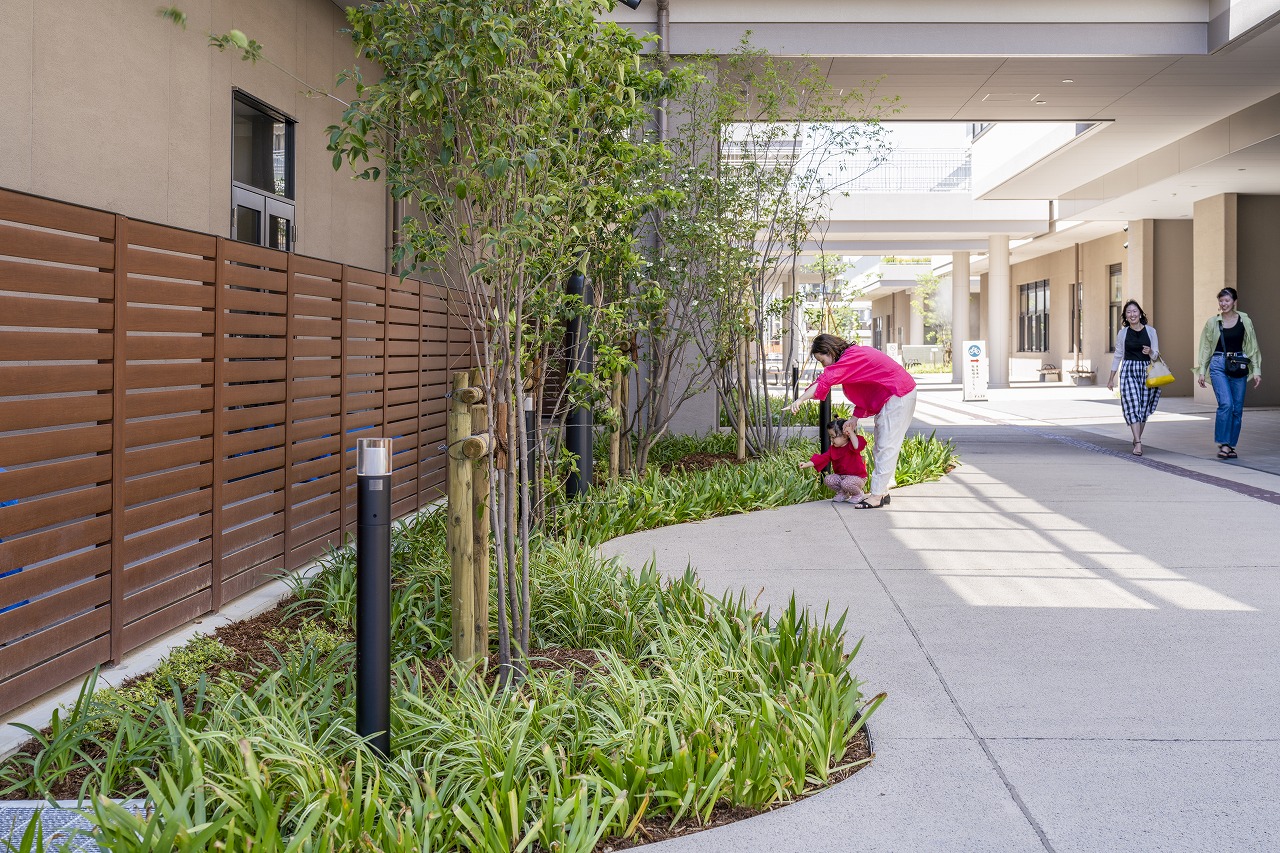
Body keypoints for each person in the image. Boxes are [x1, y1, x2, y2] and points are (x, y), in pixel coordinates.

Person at [785, 333, 916, 509]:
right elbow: (867, 389)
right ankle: (881, 492)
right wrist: (854, 418)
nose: (823, 365)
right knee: (881, 445)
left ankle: (876, 496)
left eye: (822, 360)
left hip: (898, 394)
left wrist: (800, 400)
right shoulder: (852, 357)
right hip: (893, 395)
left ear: (829, 351)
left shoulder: (852, 357)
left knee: (886, 446)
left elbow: (825, 380)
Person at [1195, 286, 1262, 459]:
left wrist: (1257, 370)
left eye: (1227, 300)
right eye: (1221, 300)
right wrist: (1202, 370)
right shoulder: (1212, 322)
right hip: (1218, 363)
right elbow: (1205, 347)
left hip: (1239, 363)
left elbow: (1252, 346)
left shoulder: (1244, 320)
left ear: (1234, 302)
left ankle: (1231, 445)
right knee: (1226, 404)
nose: (1223, 303)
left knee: (1237, 408)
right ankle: (1223, 444)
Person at [1105, 300, 1161, 456]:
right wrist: (1111, 378)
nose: (1132, 314)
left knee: (1143, 409)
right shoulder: (1123, 333)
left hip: (1147, 371)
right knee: (1132, 405)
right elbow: (1117, 356)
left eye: (1135, 311)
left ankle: (1137, 437)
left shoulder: (1151, 331)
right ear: (1125, 316)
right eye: (1128, 312)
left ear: (1140, 313)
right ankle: (1138, 442)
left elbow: (1156, 354)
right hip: (1129, 370)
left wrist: (1150, 351)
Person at [799, 417, 868, 503]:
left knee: (846, 483)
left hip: (857, 478)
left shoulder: (852, 445)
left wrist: (850, 432)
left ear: (845, 436)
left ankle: (858, 494)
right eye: (830, 437)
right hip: (841, 477)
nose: (831, 440)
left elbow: (857, 446)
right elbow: (821, 458)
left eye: (833, 437)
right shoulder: (833, 449)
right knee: (828, 479)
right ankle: (843, 493)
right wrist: (806, 464)